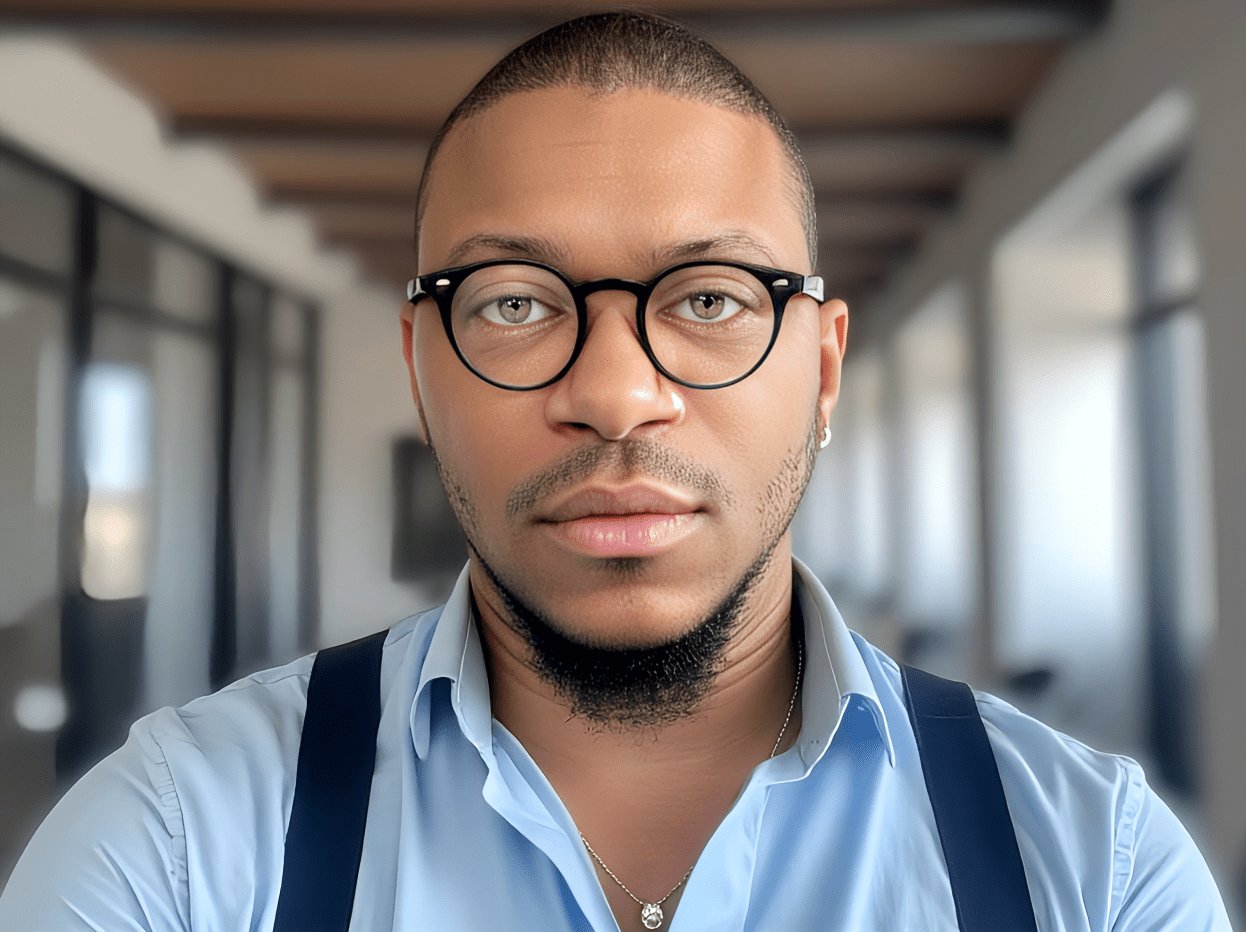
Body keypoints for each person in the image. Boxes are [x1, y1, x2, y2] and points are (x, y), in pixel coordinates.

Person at [0, 11, 1231, 932]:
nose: (614, 392)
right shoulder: (168, 851)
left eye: (708, 295)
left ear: (820, 366)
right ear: (425, 368)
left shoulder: (1095, 871)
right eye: (518, 301)